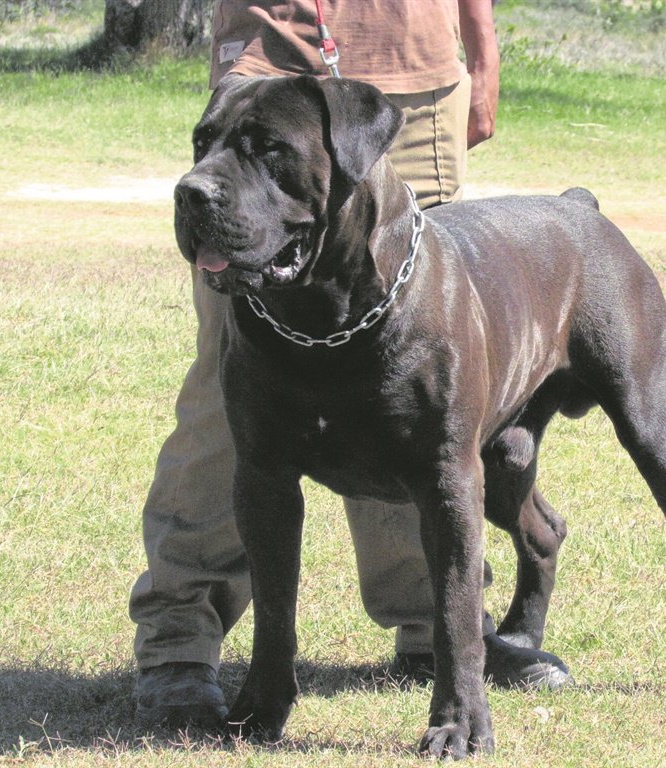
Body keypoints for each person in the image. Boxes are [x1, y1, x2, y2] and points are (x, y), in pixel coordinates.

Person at [131, 0, 570, 730]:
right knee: (233, 387)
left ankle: (437, 636)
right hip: (269, 52)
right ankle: (180, 637)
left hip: (416, 66)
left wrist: (481, 56)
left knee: (417, 384)